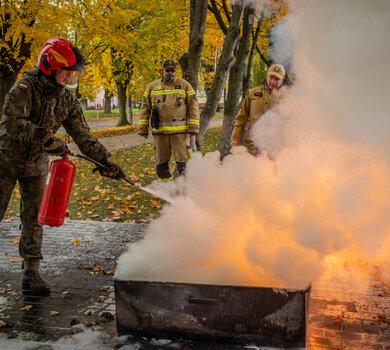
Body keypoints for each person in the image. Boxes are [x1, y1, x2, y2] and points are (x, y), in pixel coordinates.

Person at [0, 37, 125, 296]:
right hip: (6, 159)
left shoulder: (66, 100)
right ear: (49, 66)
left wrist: (106, 161)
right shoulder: (24, 88)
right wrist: (46, 138)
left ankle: (31, 271)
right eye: (66, 71)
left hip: (35, 164)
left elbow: (83, 136)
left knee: (33, 217)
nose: (69, 76)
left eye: (71, 72)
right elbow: (11, 124)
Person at [138, 60, 200, 181]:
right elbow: (145, 108)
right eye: (168, 70)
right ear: (163, 70)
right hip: (160, 134)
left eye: (173, 70)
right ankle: (166, 190)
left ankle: (185, 192)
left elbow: (194, 106)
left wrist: (193, 128)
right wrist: (143, 129)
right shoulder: (152, 87)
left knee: (184, 165)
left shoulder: (184, 85)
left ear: (176, 71)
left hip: (180, 134)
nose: (170, 73)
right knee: (161, 166)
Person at [230, 63, 286, 155]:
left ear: (282, 80)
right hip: (253, 146)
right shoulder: (253, 93)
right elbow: (241, 118)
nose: (273, 81)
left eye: (277, 79)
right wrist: (236, 137)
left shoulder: (287, 97)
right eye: (271, 77)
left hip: (277, 147)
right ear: (267, 75)